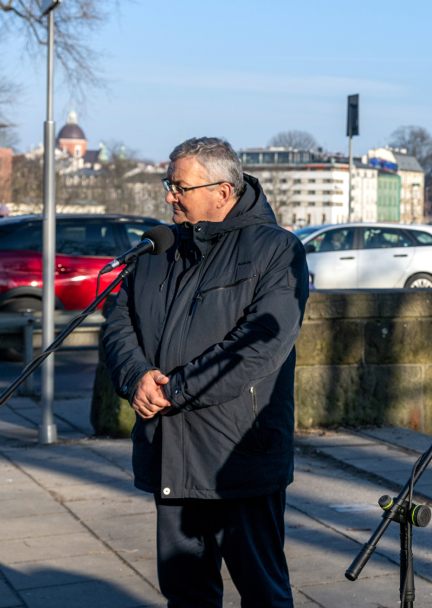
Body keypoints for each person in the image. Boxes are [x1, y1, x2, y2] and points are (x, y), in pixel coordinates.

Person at [103, 137, 310, 607]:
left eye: (180, 186)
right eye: (168, 184)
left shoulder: (276, 250)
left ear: (222, 190)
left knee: (263, 591)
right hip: (170, 450)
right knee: (186, 592)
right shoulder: (156, 248)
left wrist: (173, 390)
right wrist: (136, 377)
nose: (169, 195)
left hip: (238, 454)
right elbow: (118, 323)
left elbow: (259, 346)